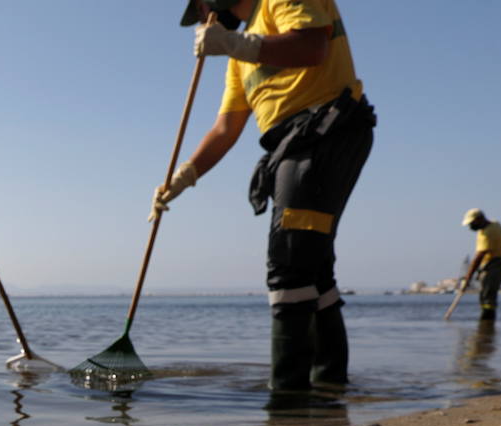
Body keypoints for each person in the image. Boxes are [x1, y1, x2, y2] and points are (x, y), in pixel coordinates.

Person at [152, 0, 375, 396]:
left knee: (289, 260)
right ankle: (329, 388)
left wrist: (236, 45)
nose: (204, 20)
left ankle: (288, 397)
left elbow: (311, 48)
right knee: (312, 266)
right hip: (289, 147)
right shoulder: (237, 60)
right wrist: (184, 176)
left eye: (203, 10)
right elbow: (225, 128)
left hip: (326, 131)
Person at [460, 209, 501, 321]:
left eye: (472, 223)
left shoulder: (488, 233)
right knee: (484, 293)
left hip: (496, 262)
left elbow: (479, 257)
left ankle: (487, 322)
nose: (471, 227)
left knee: (488, 293)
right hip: (491, 262)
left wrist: (468, 278)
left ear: (479, 219)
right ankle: (485, 328)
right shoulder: (495, 224)